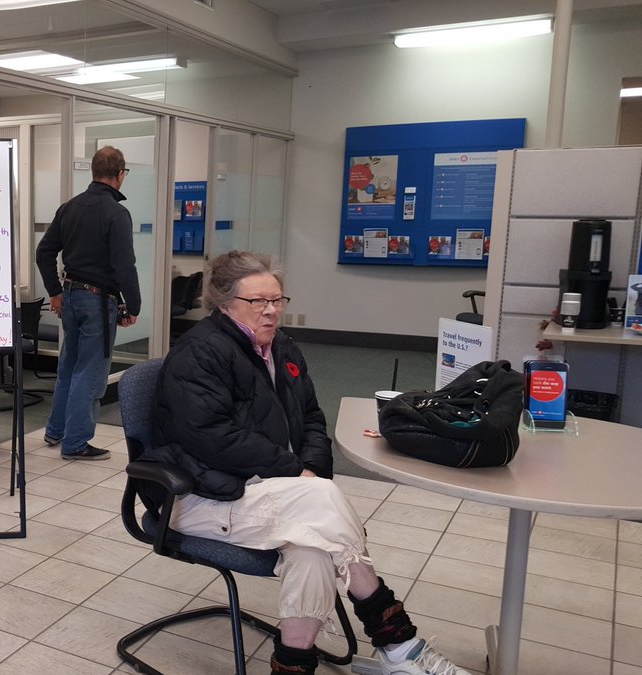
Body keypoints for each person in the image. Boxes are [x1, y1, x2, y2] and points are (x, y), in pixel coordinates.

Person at [145, 251, 470, 675]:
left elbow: (313, 418)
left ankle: (295, 666)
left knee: (314, 549)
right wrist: (294, 470)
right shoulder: (200, 353)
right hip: (202, 493)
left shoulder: (282, 347)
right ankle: (399, 642)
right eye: (257, 302)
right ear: (225, 304)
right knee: (320, 504)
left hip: (275, 490)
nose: (271, 311)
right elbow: (211, 437)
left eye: (277, 300)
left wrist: (310, 469)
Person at [35, 146, 141, 460]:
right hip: (98, 302)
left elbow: (44, 252)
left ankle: (56, 431)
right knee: (90, 374)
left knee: (69, 366)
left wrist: (55, 291)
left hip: (70, 297)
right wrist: (133, 306)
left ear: (93, 172)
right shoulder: (116, 213)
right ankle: (76, 443)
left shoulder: (69, 208)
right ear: (120, 175)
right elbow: (124, 267)